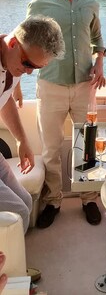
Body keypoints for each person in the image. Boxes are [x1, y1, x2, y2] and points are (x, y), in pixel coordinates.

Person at [27, 0, 106, 228]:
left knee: (87, 144)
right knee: (50, 148)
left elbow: (97, 39)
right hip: (51, 84)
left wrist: (99, 63)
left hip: (84, 85)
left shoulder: (92, 4)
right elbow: (26, 43)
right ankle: (53, 201)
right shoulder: (39, 4)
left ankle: (88, 198)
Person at [0, 16, 65, 232]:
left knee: (26, 202)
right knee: (17, 213)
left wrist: (22, 140)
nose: (28, 72)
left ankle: (12, 252)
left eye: (35, 68)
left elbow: (5, 99)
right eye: (28, 64)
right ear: (13, 43)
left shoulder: (13, 62)